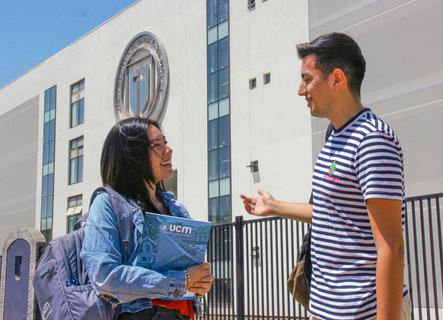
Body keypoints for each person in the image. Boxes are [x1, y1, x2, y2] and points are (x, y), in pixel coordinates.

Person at [241, 32, 411, 320]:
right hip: (326, 310)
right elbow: (332, 213)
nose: (300, 90)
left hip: (363, 313)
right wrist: (274, 206)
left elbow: (391, 247)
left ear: (336, 79)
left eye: (307, 79)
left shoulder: (372, 140)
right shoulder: (335, 136)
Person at [81, 117, 213, 320]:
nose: (168, 150)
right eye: (157, 145)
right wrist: (181, 280)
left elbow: (190, 274)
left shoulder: (176, 208)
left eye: (165, 143)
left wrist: (200, 283)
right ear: (132, 156)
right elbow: (105, 276)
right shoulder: (106, 203)